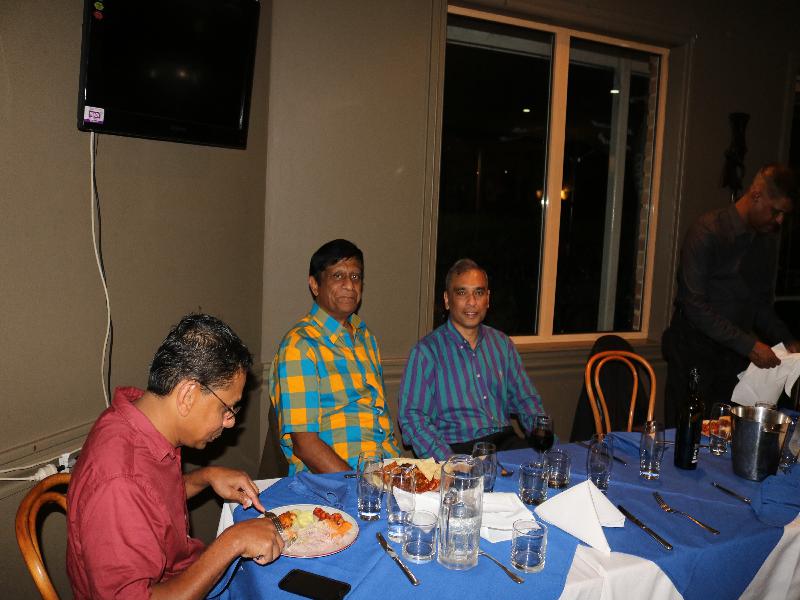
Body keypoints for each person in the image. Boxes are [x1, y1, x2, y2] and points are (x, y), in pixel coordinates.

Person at [67, 314, 283, 600]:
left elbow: (151, 500)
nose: (230, 422)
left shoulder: (139, 420)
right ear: (188, 395)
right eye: (226, 408)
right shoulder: (119, 482)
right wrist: (233, 542)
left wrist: (205, 477)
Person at [662, 164, 800, 426]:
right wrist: (750, 346)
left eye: (784, 214)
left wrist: (786, 339)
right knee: (685, 435)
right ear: (757, 195)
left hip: (732, 360)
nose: (779, 220)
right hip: (693, 354)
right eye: (776, 211)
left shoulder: (764, 243)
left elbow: (759, 305)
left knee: (725, 434)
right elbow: (694, 305)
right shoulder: (707, 231)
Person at [270, 239, 400, 474]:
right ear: (315, 285)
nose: (349, 285)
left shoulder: (365, 337)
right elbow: (305, 445)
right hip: (332, 483)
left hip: (385, 472)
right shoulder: (300, 345)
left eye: (355, 277)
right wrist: (357, 484)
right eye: (338, 276)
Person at [398, 258, 545, 460]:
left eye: (479, 292)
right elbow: (413, 418)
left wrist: (544, 438)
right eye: (462, 292)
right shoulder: (426, 353)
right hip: (457, 449)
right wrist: (449, 461)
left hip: (505, 442)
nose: (472, 302)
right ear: (447, 300)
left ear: (488, 299)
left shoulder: (502, 345)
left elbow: (526, 400)